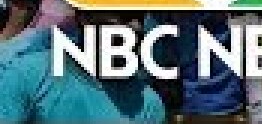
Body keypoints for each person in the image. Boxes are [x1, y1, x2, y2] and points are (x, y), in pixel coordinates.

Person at [0, 9, 166, 122]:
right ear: (84, 17)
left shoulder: (148, 104)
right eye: (123, 15)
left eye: (140, 16)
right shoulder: (26, 75)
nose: (135, 26)